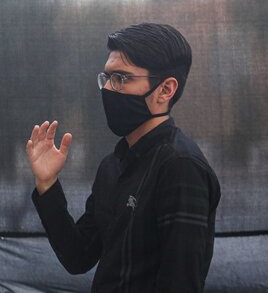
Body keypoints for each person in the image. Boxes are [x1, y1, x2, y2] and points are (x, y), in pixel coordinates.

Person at [27, 23, 220, 292]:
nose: (108, 89)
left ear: (165, 90)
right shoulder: (113, 164)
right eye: (106, 78)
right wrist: (46, 185)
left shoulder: (180, 166)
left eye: (121, 79)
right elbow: (78, 255)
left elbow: (181, 280)